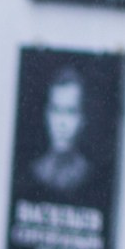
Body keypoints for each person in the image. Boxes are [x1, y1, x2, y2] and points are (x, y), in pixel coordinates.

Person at [30, 70, 93, 198]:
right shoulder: (34, 172)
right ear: (46, 115)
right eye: (56, 110)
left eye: (71, 112)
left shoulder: (91, 175)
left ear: (83, 119)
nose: (62, 123)